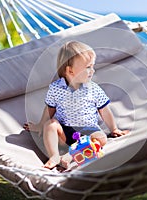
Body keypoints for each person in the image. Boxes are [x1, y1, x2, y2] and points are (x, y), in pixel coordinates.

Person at [23, 41, 129, 169]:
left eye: (93, 66)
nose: (92, 70)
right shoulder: (56, 88)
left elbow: (104, 110)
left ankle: (71, 155)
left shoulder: (93, 89)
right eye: (88, 67)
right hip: (65, 132)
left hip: (88, 131)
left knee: (101, 139)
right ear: (70, 70)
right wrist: (40, 125)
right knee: (50, 125)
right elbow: (50, 108)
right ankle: (54, 156)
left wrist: (114, 129)